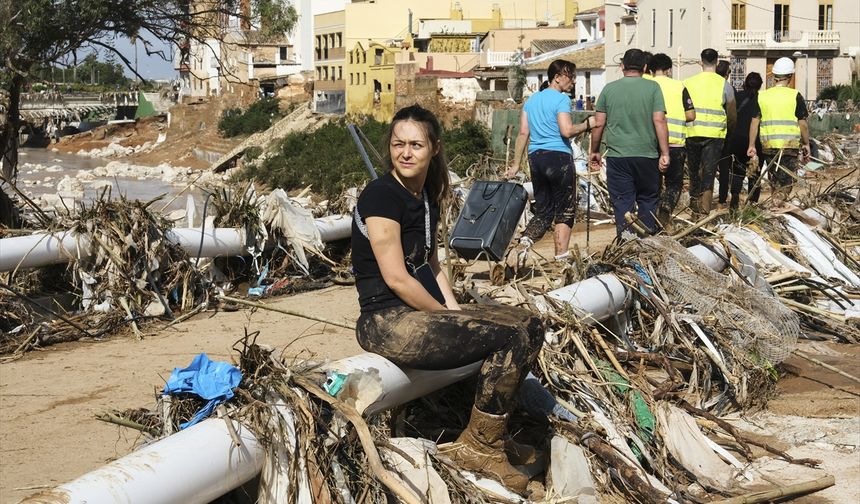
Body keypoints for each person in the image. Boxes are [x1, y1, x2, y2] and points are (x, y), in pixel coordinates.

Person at [352, 104, 544, 494]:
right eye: (398, 144)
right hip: (387, 323)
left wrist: (457, 313)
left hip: (417, 315)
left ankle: (489, 433)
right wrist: (450, 319)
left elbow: (432, 266)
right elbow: (397, 278)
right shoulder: (381, 197)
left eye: (416, 145)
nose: (405, 152)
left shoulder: (425, 197)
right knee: (507, 338)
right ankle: (481, 448)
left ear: (434, 148)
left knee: (528, 322)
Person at [506, 59, 592, 260]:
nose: (573, 82)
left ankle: (523, 245)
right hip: (559, 158)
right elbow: (567, 130)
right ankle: (561, 258)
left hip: (536, 159)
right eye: (570, 77)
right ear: (557, 77)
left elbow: (523, 133)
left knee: (543, 211)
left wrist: (516, 164)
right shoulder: (561, 100)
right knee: (565, 211)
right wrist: (588, 124)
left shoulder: (531, 101)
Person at [589, 48, 670, 239]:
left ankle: (626, 245)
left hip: (618, 158)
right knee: (648, 201)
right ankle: (647, 243)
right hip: (647, 156)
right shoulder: (653, 88)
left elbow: (598, 123)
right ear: (644, 67)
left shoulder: (609, 89)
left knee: (622, 203)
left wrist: (595, 150)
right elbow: (659, 120)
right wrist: (665, 153)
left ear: (622, 66)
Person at [747, 57, 810, 207]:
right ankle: (777, 206)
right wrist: (807, 143)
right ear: (790, 76)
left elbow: (754, 122)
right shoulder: (795, 95)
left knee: (775, 181)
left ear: (774, 76)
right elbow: (803, 124)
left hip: (769, 146)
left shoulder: (762, 96)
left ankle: (777, 206)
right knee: (787, 182)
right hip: (789, 147)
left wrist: (751, 145)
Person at [684, 49, 737, 214]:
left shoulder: (687, 83)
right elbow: (732, 115)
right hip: (714, 137)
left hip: (691, 134)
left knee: (694, 173)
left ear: (701, 62)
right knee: (708, 174)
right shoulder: (725, 85)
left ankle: (694, 210)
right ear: (717, 62)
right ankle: (704, 213)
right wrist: (728, 133)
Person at [648, 53, 695, 227]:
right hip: (675, 143)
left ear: (650, 70)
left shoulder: (647, 85)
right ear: (669, 70)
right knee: (674, 183)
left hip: (650, 143)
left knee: (652, 183)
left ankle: (650, 217)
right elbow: (691, 115)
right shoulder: (679, 86)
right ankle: (666, 208)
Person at [728, 72, 764, 209]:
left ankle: (735, 197)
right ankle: (752, 204)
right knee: (754, 172)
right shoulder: (760, 99)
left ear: (744, 83)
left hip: (736, 140)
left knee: (737, 170)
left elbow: (730, 117)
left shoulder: (736, 97)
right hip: (754, 141)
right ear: (760, 86)